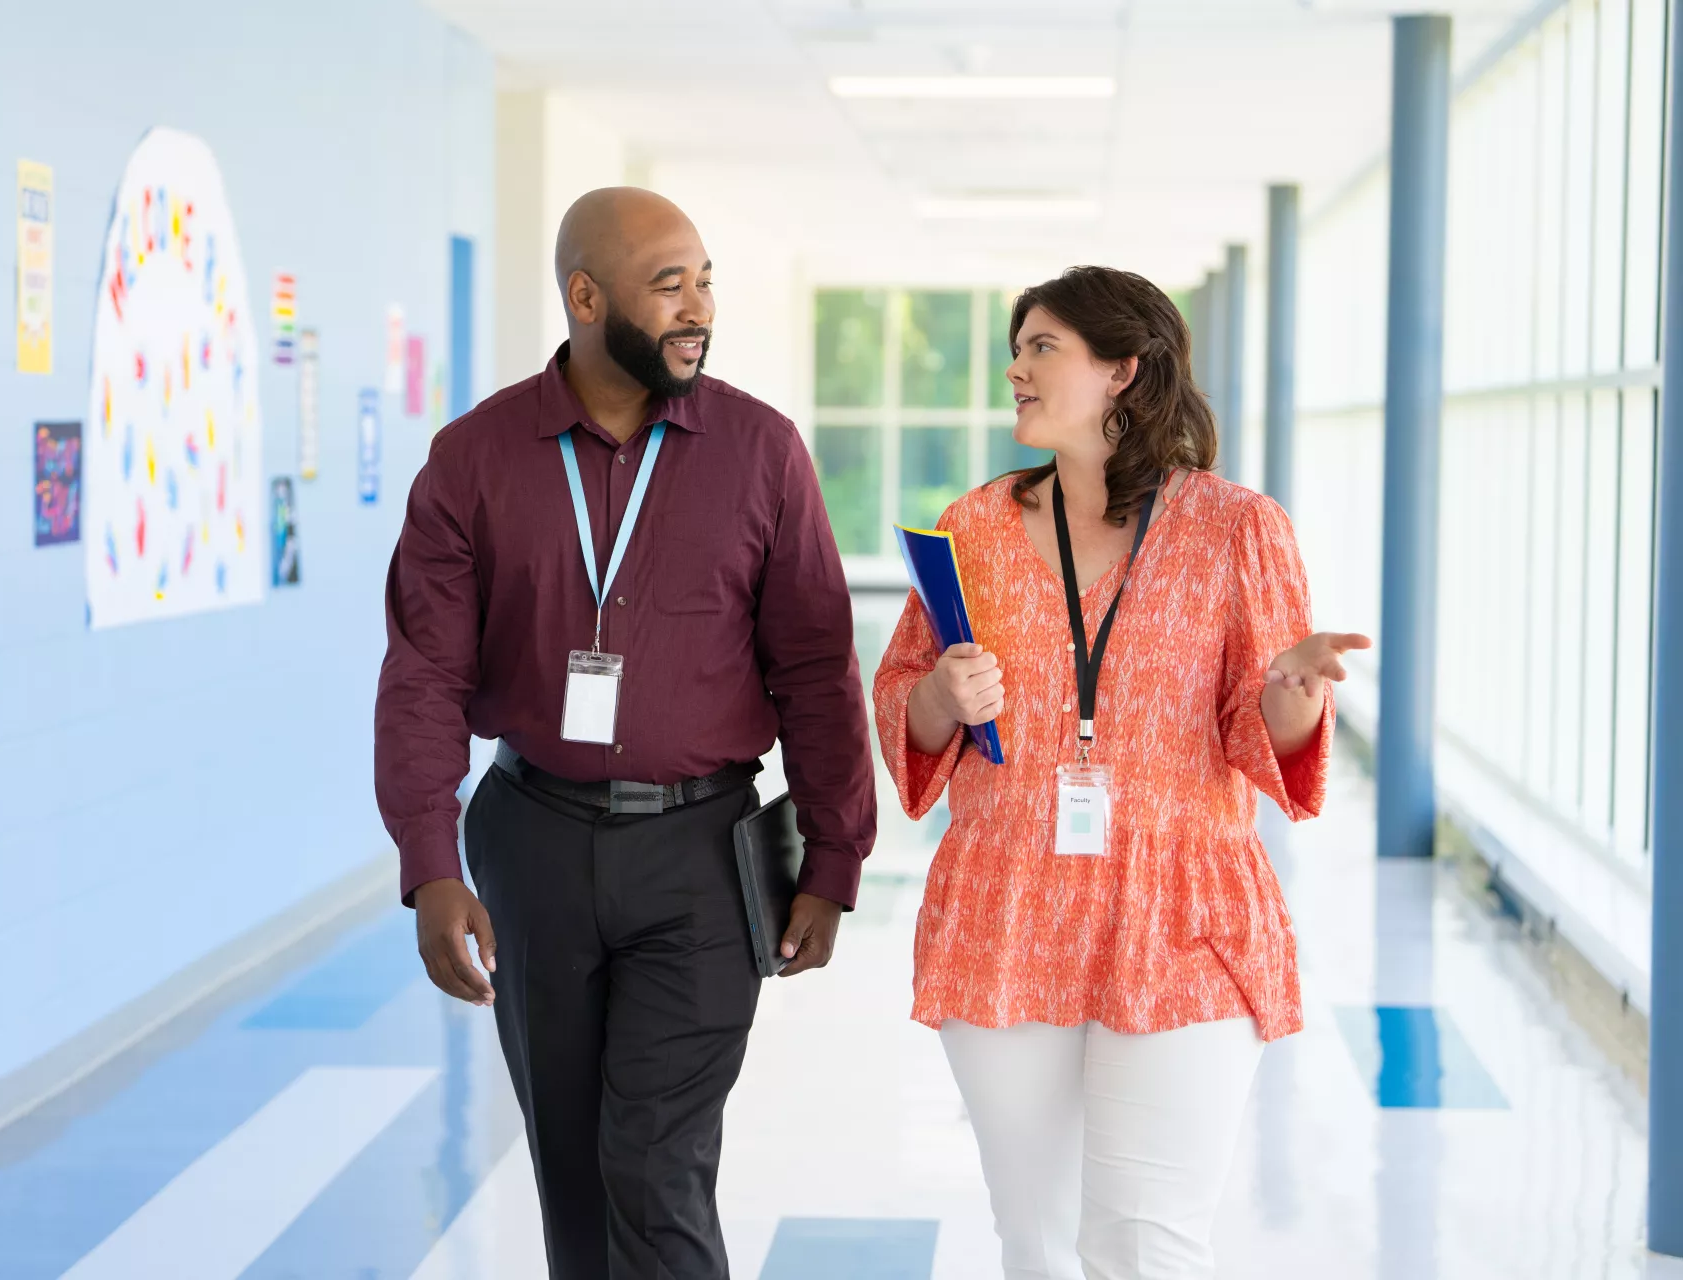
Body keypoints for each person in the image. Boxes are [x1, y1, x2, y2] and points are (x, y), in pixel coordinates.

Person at [374, 187, 877, 1280]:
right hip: (532, 841)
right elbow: (423, 672)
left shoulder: (760, 451)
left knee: (655, 1161)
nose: (700, 307)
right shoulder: (474, 458)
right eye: (670, 284)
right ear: (587, 295)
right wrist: (430, 864)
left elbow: (817, 668)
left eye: (707, 280)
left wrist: (835, 855)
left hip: (703, 854)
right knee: (574, 1173)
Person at [872, 266, 1370, 1280]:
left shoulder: (1237, 529)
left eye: (1042, 347)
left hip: (1182, 913)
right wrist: (942, 698)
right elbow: (907, 697)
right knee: (1038, 1241)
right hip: (1007, 910)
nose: (1014, 368)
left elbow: (1261, 729)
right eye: (1017, 348)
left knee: (1146, 1242)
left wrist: (1294, 687)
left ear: (1123, 372)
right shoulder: (969, 527)